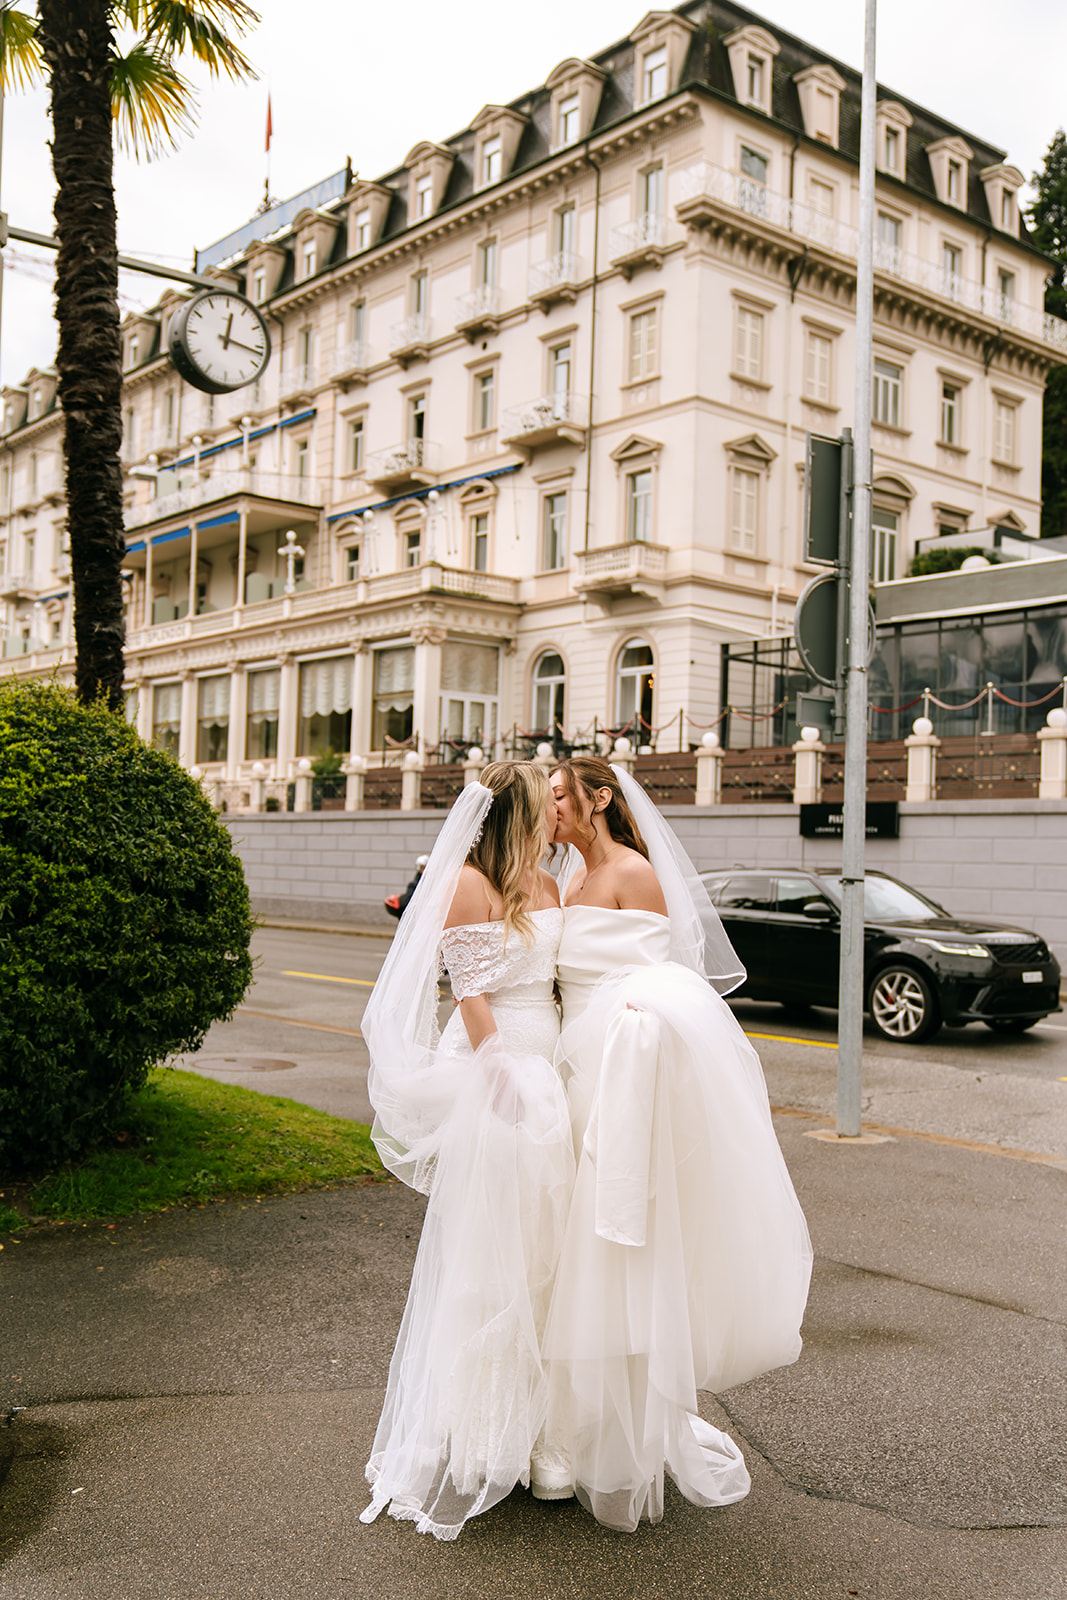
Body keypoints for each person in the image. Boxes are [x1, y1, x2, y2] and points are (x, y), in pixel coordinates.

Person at [536, 756, 813, 1532]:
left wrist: (625, 1040)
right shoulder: (560, 876)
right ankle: (562, 1425)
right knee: (567, 1249)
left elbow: (665, 988)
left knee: (614, 1248)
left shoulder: (634, 874)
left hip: (616, 1079)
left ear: (598, 798)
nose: (549, 806)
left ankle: (612, 1433)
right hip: (568, 1073)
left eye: (559, 794)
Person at [359, 761, 574, 1540]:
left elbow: (557, 985)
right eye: (543, 806)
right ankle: (490, 1436)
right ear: (514, 817)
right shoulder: (468, 886)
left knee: (552, 1250)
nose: (557, 814)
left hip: (551, 1067)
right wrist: (500, 1075)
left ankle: (550, 1432)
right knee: (497, 1256)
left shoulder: (551, 887)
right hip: (499, 1075)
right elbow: (471, 994)